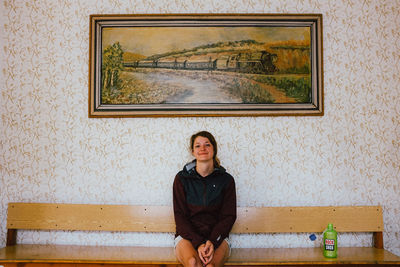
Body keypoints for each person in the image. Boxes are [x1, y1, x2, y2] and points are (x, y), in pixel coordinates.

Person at [173, 131, 237, 267]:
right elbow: (180, 216)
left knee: (210, 266)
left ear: (214, 150)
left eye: (207, 145)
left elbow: (228, 216)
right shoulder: (182, 179)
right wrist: (198, 243)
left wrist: (212, 242)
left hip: (218, 238)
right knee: (193, 263)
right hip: (188, 237)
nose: (202, 149)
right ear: (192, 151)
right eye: (198, 146)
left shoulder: (226, 180)